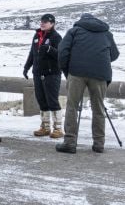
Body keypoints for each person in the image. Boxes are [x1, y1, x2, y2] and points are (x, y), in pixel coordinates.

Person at [55, 13, 119, 154]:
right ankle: (99, 144)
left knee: (72, 107)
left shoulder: (74, 31)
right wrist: (99, 60)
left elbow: (62, 51)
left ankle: (70, 142)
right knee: (98, 109)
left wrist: (66, 70)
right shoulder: (106, 33)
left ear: (81, 20)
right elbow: (114, 54)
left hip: (76, 73)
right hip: (100, 74)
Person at [23, 13, 63, 138]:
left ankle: (58, 128)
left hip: (52, 74)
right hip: (38, 73)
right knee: (41, 100)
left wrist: (50, 49)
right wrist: (26, 67)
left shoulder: (56, 37)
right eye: (41, 21)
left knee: (52, 100)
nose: (42, 23)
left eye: (45, 21)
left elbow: (61, 55)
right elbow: (32, 53)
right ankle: (45, 127)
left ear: (52, 24)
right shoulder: (37, 36)